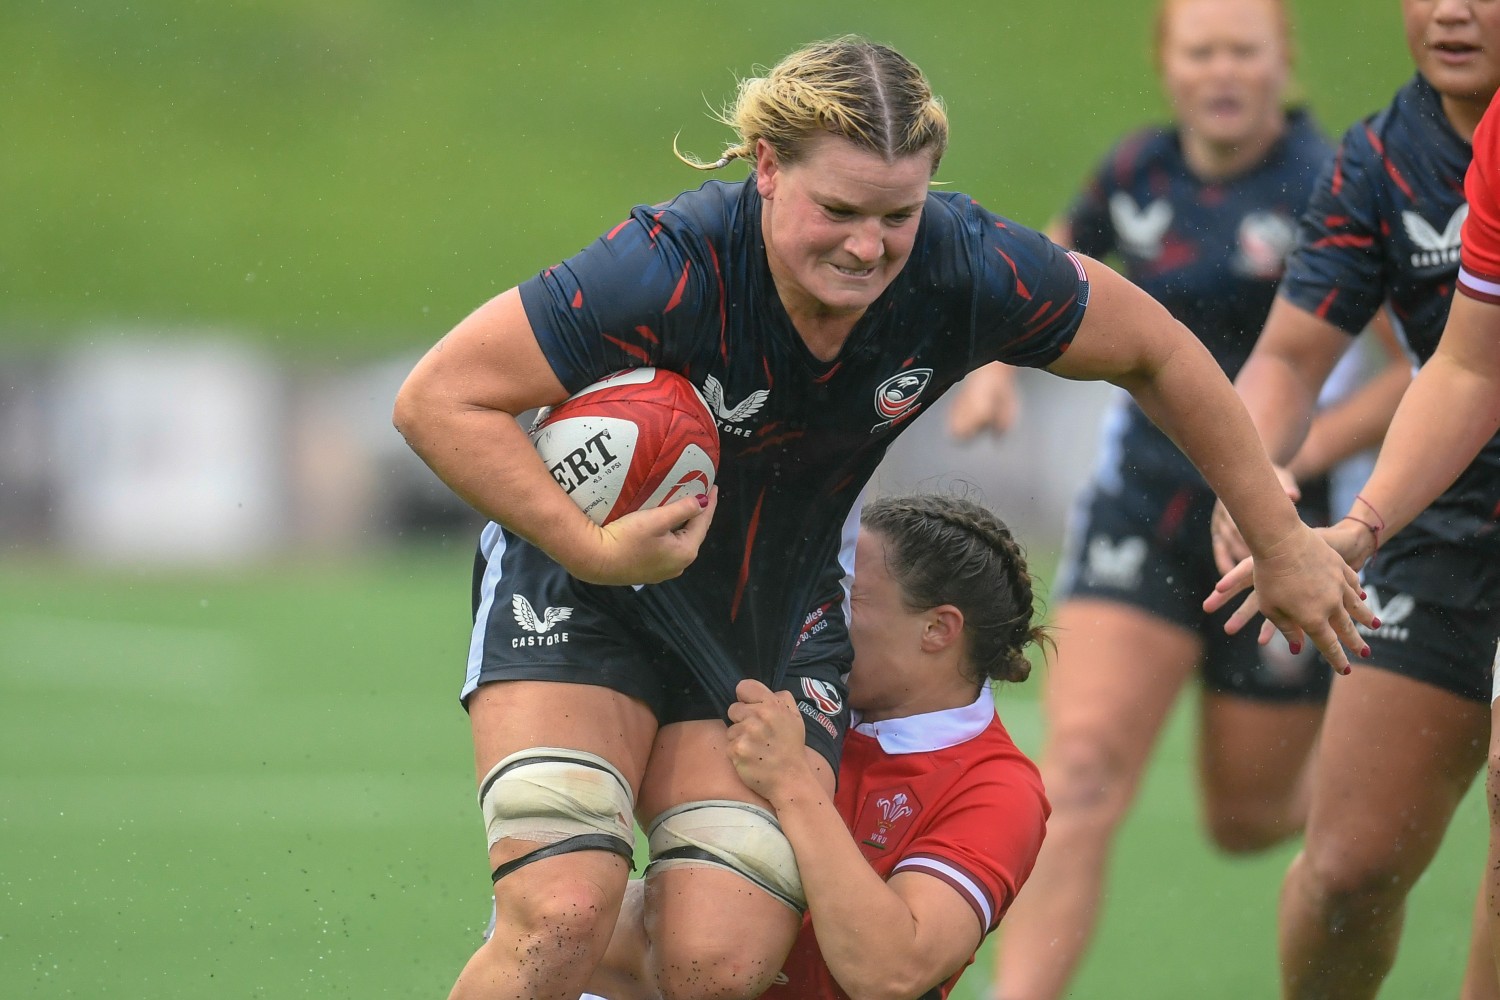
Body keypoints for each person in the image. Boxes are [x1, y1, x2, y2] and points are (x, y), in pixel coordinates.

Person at [391, 35, 1369, 1000]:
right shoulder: (669, 265)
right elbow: (439, 398)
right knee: (561, 916)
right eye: (840, 209)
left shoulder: (966, 264)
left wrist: (1279, 540)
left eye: (897, 215)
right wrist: (587, 546)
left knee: (720, 963)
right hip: (583, 592)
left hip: (767, 619)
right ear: (767, 168)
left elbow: (1157, 348)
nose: (867, 246)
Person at [944, 4, 1410, 998]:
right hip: (1143, 510)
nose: (1223, 71)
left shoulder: (1333, 181)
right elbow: (1043, 266)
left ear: (1283, 61)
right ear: (1169, 65)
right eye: (1201, 51)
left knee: (1244, 816)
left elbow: (1413, 371)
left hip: (1282, 526)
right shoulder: (1135, 171)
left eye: (1245, 50)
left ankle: (1392, 774)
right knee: (1080, 769)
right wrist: (991, 368)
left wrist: (1292, 454)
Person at [1203, 2, 1500, 996]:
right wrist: (1250, 473)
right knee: (1350, 869)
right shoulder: (1380, 160)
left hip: (1409, 500)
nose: (1452, 11)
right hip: (1438, 517)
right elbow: (1294, 354)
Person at [586, 493, 1052, 1000]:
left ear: (938, 629)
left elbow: (892, 972)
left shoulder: (998, 789)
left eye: (849, 596)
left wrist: (792, 782)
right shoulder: (793, 692)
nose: (822, 616)